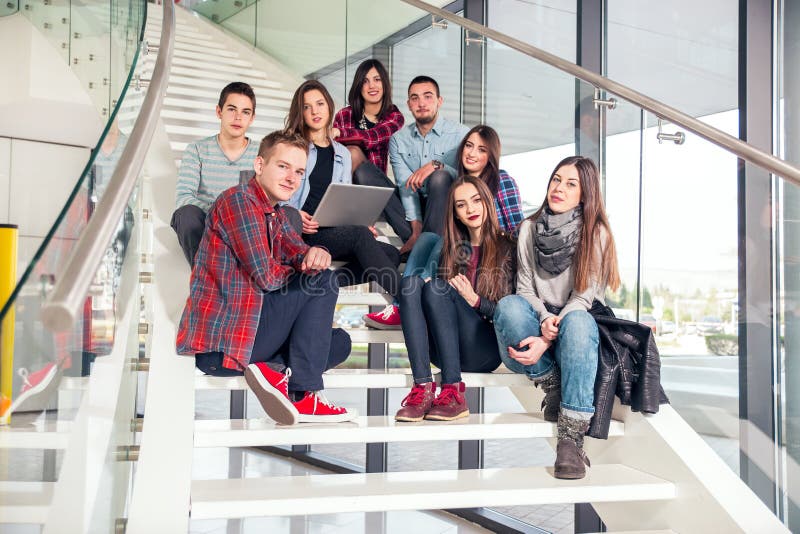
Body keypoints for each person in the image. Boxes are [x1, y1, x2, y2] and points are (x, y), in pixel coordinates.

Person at [176, 130, 357, 425]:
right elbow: (268, 278)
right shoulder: (239, 202)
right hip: (224, 344)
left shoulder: (276, 214)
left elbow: (298, 250)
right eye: (283, 166)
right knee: (323, 282)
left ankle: (275, 371)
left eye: (299, 171)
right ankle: (304, 394)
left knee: (339, 342)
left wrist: (316, 253)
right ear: (260, 165)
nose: (291, 178)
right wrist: (306, 269)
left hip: (254, 336)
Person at [492, 156, 620, 479]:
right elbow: (525, 289)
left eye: (570, 183)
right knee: (507, 306)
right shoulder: (528, 230)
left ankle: (571, 439)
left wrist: (549, 334)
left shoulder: (597, 234)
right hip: (539, 319)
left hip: (577, 327)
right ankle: (552, 382)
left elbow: (583, 298)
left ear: (585, 193)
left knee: (577, 322)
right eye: (556, 180)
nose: (559, 188)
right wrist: (542, 320)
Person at [364, 124, 523, 330]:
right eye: (469, 146)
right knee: (427, 238)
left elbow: (517, 231)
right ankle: (405, 306)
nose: (472, 153)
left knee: (439, 242)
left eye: (482, 150)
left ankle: (407, 308)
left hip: (493, 255)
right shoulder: (458, 185)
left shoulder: (502, 180)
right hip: (462, 253)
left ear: (491, 156)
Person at [394, 176, 516, 422]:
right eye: (461, 205)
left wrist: (475, 300)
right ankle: (423, 388)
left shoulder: (508, 246)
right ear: (455, 213)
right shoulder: (451, 249)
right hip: (443, 349)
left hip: (483, 347)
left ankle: (453, 391)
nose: (470, 209)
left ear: (487, 203)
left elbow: (513, 313)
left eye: (476, 200)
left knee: (436, 288)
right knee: (411, 283)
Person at [284, 79, 401, 298]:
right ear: (300, 112)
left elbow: (343, 198)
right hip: (302, 232)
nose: (314, 111)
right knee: (359, 237)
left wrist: (359, 222)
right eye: (307, 107)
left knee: (391, 255)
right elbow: (274, 196)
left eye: (319, 104)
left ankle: (318, 283)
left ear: (329, 106)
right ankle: (409, 299)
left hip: (331, 230)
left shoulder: (342, 153)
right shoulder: (292, 148)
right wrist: (296, 216)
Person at [355, 75, 469, 253]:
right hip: (410, 213)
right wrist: (415, 230)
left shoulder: (460, 134)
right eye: (415, 98)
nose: (421, 103)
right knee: (364, 172)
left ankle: (426, 248)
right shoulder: (398, 140)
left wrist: (437, 165)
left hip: (445, 207)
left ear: (440, 101)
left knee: (439, 177)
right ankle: (418, 241)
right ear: (409, 105)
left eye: (428, 96)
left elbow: (467, 180)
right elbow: (405, 185)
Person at [171, 82, 260, 265]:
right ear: (219, 112)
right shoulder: (197, 150)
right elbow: (184, 197)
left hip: (244, 225)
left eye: (245, 112)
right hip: (207, 221)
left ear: (252, 118)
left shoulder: (261, 154)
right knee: (186, 215)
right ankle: (202, 277)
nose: (238, 117)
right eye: (231, 109)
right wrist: (219, 211)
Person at [332, 59, 404, 174]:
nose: (371, 86)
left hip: (375, 184)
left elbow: (373, 137)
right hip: (345, 180)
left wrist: (341, 132)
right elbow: (334, 153)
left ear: (384, 83)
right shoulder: (344, 115)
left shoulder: (394, 115)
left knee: (353, 152)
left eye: (377, 79)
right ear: (359, 86)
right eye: (365, 81)